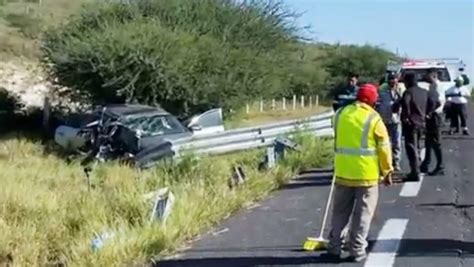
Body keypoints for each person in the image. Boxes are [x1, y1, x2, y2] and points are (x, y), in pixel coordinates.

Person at [322, 84, 393, 263]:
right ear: (372, 100)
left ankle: (334, 248)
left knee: (339, 213)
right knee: (362, 215)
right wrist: (387, 171)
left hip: (343, 172)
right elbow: (384, 148)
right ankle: (357, 250)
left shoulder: (340, 115)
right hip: (366, 176)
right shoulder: (374, 119)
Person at [401, 72, 436, 181]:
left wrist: (406, 116)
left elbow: (406, 103)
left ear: (408, 81)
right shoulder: (424, 92)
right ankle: (417, 169)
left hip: (411, 124)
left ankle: (415, 173)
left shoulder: (408, 92)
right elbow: (435, 102)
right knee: (417, 146)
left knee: (411, 147)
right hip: (422, 123)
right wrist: (428, 113)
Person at [376, 73, 404, 171]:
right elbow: (378, 104)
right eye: (391, 79)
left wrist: (398, 92)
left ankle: (396, 162)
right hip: (384, 120)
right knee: (384, 143)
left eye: (394, 79)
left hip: (396, 120)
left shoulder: (401, 90)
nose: (392, 81)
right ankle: (385, 163)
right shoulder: (382, 92)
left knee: (396, 143)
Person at [420, 69, 445, 175]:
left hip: (435, 116)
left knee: (435, 142)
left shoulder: (437, 86)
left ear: (434, 76)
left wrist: (429, 112)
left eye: (428, 76)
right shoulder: (432, 86)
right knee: (428, 141)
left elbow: (438, 102)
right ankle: (426, 162)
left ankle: (440, 166)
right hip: (432, 116)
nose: (426, 78)